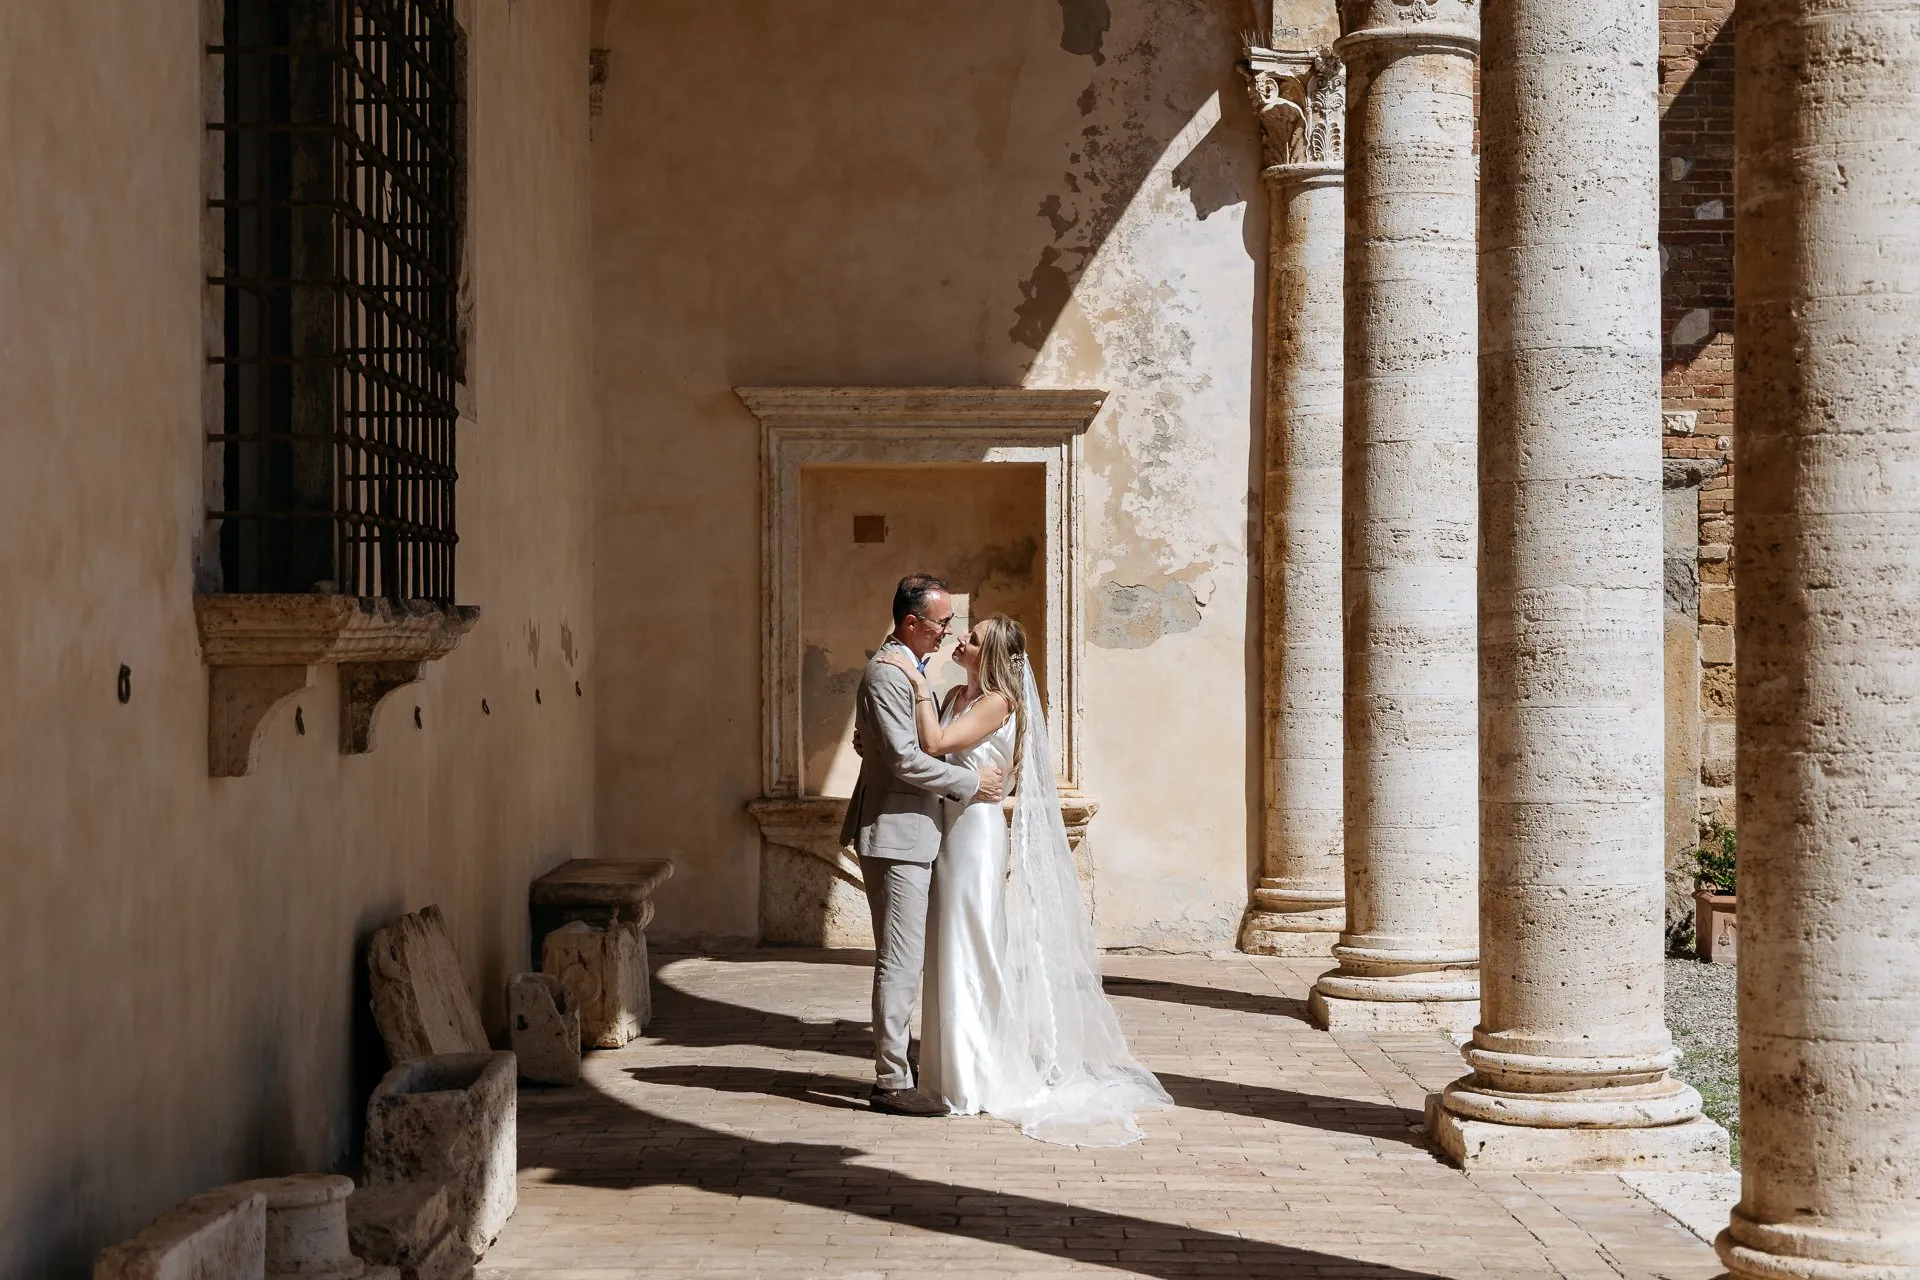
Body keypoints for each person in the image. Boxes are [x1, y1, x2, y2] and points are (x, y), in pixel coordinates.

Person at [878, 612, 1173, 1146]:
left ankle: (977, 1077)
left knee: (972, 945)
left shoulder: (997, 702)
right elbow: (920, 752)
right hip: (945, 828)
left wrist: (917, 685)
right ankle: (948, 1073)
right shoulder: (954, 696)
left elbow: (938, 745)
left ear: (990, 654)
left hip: (975, 834)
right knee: (946, 948)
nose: (961, 639)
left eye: (972, 638)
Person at [841, 574, 1004, 1116]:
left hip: (915, 831)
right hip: (898, 833)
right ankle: (891, 1081)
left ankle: (906, 1064)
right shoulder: (890, 673)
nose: (948, 632)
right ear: (912, 622)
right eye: (942, 622)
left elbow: (895, 744)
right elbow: (907, 760)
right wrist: (970, 783)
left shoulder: (909, 669)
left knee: (910, 957)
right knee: (900, 961)